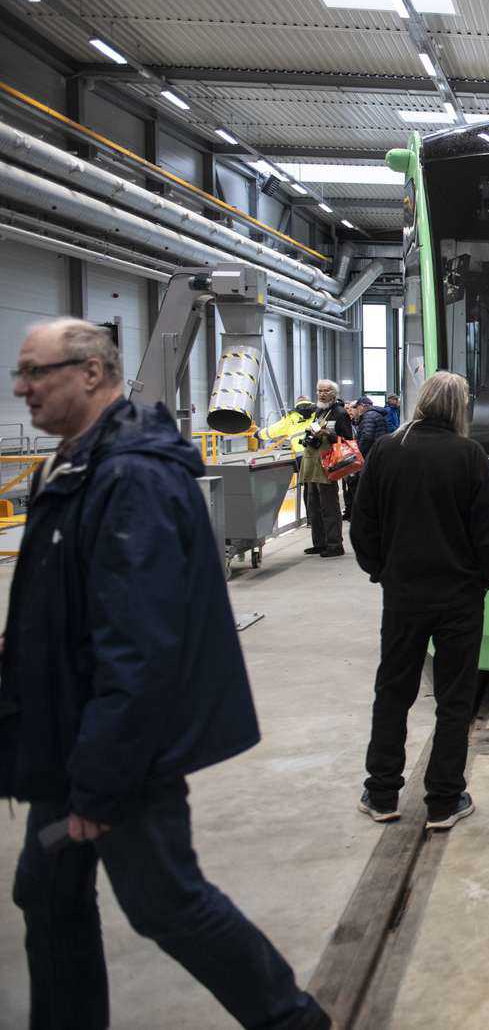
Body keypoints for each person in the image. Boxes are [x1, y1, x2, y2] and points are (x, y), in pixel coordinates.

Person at [3, 319, 327, 1029]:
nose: (21, 387)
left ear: (91, 372)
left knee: (165, 901)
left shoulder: (132, 476)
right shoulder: (80, 463)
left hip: (114, 750)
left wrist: (99, 778)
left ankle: (291, 1019)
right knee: (48, 894)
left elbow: (138, 647)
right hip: (70, 738)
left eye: (36, 372)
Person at [351, 371, 489, 830]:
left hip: (403, 596)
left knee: (393, 691)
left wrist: (381, 570)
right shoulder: (470, 455)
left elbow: (363, 525)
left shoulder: (386, 451)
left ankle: (381, 792)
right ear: (461, 408)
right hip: (459, 599)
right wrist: (480, 581)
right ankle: (444, 799)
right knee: (455, 699)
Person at [299, 378, 354, 556]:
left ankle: (334, 544)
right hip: (312, 464)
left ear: (334, 393)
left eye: (326, 391)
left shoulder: (339, 413)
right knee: (313, 505)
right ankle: (319, 542)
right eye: (319, 391)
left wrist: (327, 433)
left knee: (329, 505)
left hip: (327, 464)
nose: (322, 394)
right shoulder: (318, 411)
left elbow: (347, 439)